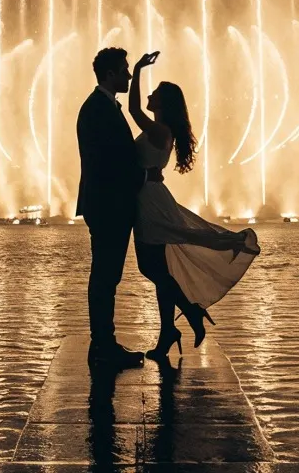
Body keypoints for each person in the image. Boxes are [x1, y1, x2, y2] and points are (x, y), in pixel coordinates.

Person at [127, 51, 259, 359]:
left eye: (155, 94)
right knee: (158, 268)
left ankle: (190, 312)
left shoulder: (159, 130)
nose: (149, 95)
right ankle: (168, 334)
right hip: (150, 196)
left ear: (163, 104)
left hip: (149, 200)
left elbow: (133, 109)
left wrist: (137, 69)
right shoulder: (161, 130)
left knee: (150, 266)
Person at [76, 47, 145, 369]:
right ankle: (103, 345)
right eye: (125, 70)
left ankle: (103, 342)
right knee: (105, 276)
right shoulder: (97, 109)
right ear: (110, 74)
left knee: (107, 276)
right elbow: (108, 160)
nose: (129, 76)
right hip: (108, 205)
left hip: (107, 203)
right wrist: (144, 175)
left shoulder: (101, 106)